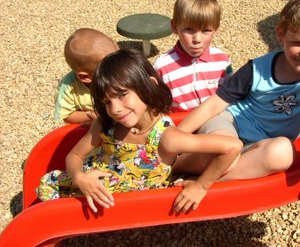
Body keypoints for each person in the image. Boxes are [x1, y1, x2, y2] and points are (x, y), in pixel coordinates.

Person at [37, 48, 242, 214]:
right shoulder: (106, 123)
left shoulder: (167, 137)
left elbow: (232, 146)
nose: (115, 109)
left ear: (149, 86)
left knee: (50, 215)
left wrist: (201, 186)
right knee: (46, 203)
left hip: (126, 204)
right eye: (107, 102)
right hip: (85, 186)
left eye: (122, 94)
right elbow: (75, 154)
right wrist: (79, 177)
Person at [172, 0, 300, 181]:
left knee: (283, 153)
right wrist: (174, 139)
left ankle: (206, 183)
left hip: (261, 146)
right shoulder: (257, 68)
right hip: (229, 124)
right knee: (226, 148)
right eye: (297, 43)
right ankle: (173, 167)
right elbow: (214, 105)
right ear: (281, 35)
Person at [153, 0, 233, 112]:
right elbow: (157, 106)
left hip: (215, 122)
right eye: (189, 29)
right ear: (175, 27)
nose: (197, 39)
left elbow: (230, 96)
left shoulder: (222, 61)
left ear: (216, 29)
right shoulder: (163, 67)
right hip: (180, 125)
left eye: (206, 30)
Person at [54, 28, 119, 126]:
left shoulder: (122, 73)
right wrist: (94, 116)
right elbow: (66, 115)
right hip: (90, 125)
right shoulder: (69, 86)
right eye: (110, 67)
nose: (119, 68)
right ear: (85, 77)